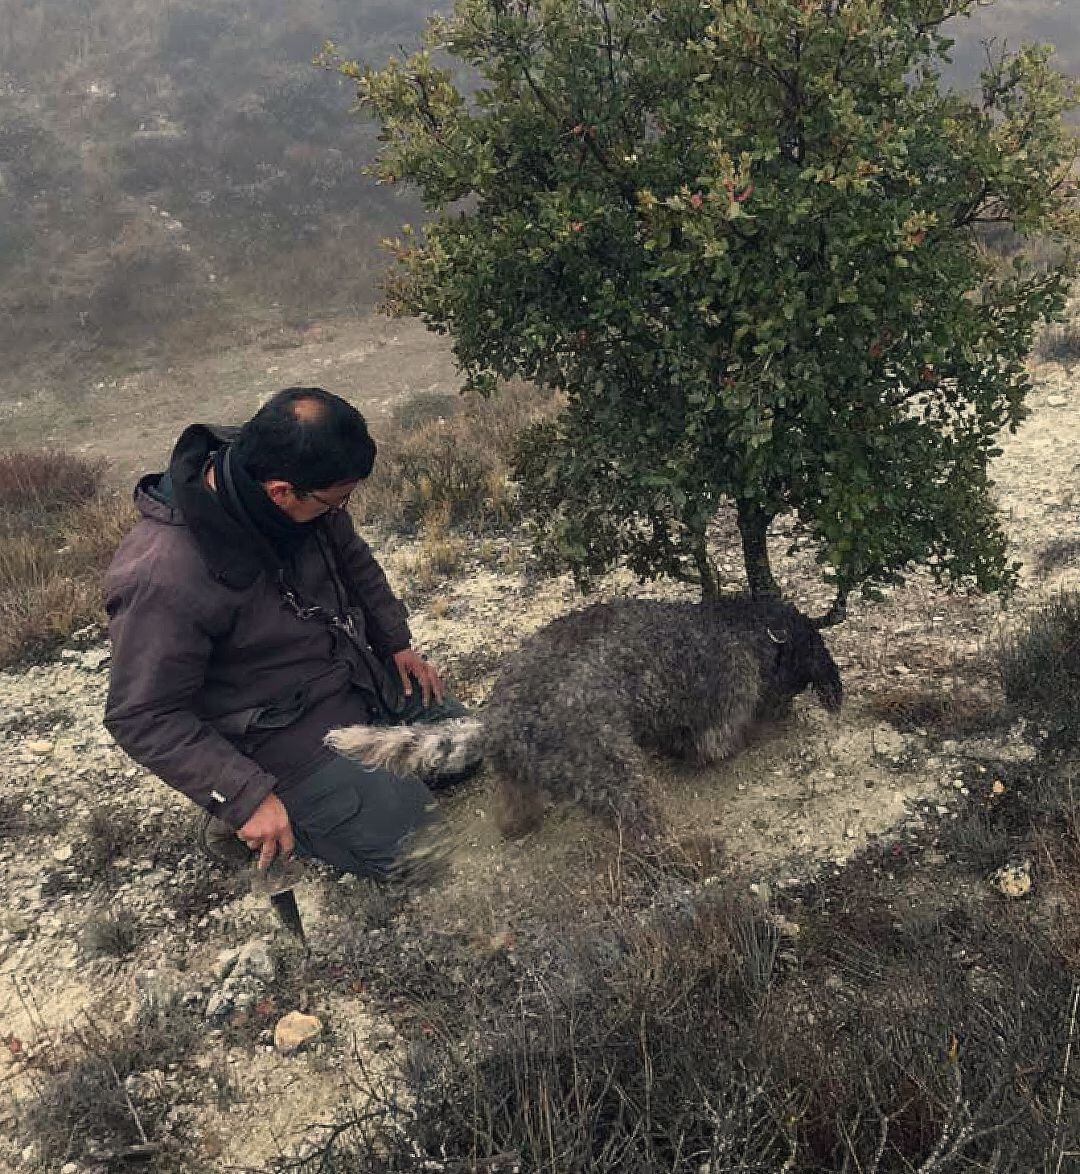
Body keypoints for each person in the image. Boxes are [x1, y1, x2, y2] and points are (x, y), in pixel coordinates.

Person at [104, 386, 464, 878]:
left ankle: (361, 788)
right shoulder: (162, 577)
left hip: (356, 676)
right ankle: (245, 821)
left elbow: (354, 562)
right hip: (283, 737)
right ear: (280, 492)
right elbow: (142, 715)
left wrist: (395, 642)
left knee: (471, 748)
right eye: (335, 501)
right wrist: (242, 796)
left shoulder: (300, 489)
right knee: (428, 851)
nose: (341, 511)